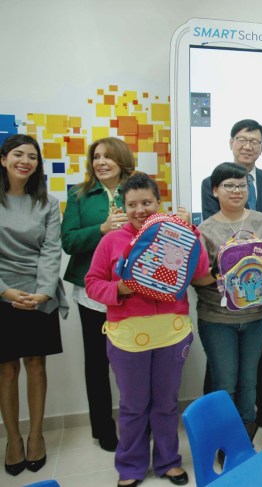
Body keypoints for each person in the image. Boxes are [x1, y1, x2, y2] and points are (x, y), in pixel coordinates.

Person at [86, 172, 211, 487]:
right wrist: (120, 290)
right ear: (123, 206)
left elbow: (199, 271)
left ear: (159, 203)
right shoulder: (110, 241)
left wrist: (191, 233)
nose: (139, 209)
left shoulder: (178, 235)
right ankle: (130, 467)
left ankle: (169, 461)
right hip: (127, 336)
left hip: (171, 332)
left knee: (167, 403)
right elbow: (92, 284)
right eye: (132, 204)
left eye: (147, 202)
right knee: (132, 405)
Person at [200, 119, 262, 436]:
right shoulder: (211, 185)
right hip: (220, 304)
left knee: (257, 365)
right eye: (242, 139)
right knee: (223, 372)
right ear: (231, 142)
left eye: (255, 141)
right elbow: (209, 248)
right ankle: (219, 430)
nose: (248, 145)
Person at [61, 137, 135, 452]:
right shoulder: (78, 194)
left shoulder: (137, 190)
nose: (100, 162)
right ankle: (103, 428)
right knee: (97, 361)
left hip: (132, 290)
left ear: (122, 160)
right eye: (96, 157)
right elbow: (68, 241)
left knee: (133, 360)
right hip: (91, 293)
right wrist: (102, 230)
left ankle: (136, 423)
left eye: (107, 156)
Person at [0, 134, 67, 477]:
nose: (25, 160)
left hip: (39, 293)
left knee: (36, 364)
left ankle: (36, 435)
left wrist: (42, 292)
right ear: (3, 160)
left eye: (32, 156)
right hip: (2, 294)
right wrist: (6, 293)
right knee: (7, 368)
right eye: (17, 154)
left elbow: (51, 250)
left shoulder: (48, 204)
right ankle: (13, 439)